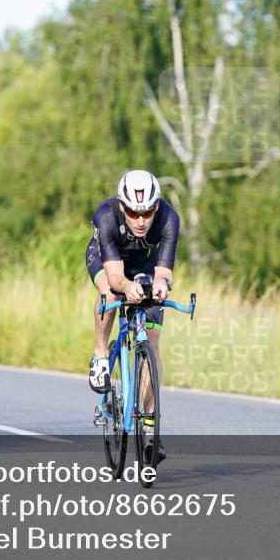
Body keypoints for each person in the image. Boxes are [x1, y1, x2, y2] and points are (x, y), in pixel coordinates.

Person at [86, 170, 180, 463]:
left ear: (156, 207)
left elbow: (164, 271)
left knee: (151, 341)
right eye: (132, 212)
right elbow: (115, 276)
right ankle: (101, 353)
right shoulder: (106, 215)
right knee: (111, 295)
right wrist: (126, 286)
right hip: (109, 260)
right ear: (121, 206)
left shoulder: (169, 219)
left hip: (146, 265)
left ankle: (150, 427)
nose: (141, 220)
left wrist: (162, 286)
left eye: (147, 212)